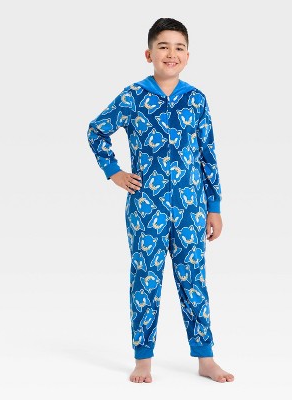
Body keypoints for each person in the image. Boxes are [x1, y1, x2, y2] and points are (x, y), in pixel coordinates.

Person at [87, 17, 234, 384]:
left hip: (190, 209)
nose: (171, 53)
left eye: (179, 47)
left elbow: (208, 156)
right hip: (145, 208)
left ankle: (205, 358)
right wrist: (114, 171)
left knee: (193, 281)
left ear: (188, 55)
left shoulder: (196, 99)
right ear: (149, 53)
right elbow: (96, 130)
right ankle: (143, 359)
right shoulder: (133, 96)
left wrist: (214, 207)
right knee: (145, 281)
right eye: (163, 47)